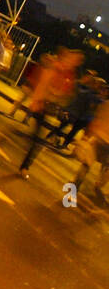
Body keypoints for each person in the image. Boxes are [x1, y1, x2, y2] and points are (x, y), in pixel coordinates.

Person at [18, 47, 84, 178]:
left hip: (52, 109)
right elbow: (43, 83)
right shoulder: (56, 67)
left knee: (38, 139)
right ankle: (25, 167)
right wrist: (36, 101)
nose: (75, 62)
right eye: (74, 59)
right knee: (39, 140)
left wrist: (62, 103)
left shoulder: (70, 75)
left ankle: (24, 161)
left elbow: (66, 95)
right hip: (42, 104)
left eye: (77, 61)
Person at [49, 71, 102, 151]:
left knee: (69, 128)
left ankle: (58, 139)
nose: (98, 86)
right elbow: (79, 90)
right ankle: (58, 139)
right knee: (67, 126)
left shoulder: (92, 93)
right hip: (76, 113)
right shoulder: (89, 92)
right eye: (97, 84)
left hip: (81, 115)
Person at [73, 84, 109, 201]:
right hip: (105, 143)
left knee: (86, 165)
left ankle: (75, 187)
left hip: (98, 138)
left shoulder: (106, 104)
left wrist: (87, 135)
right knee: (106, 168)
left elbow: (95, 120)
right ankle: (99, 185)